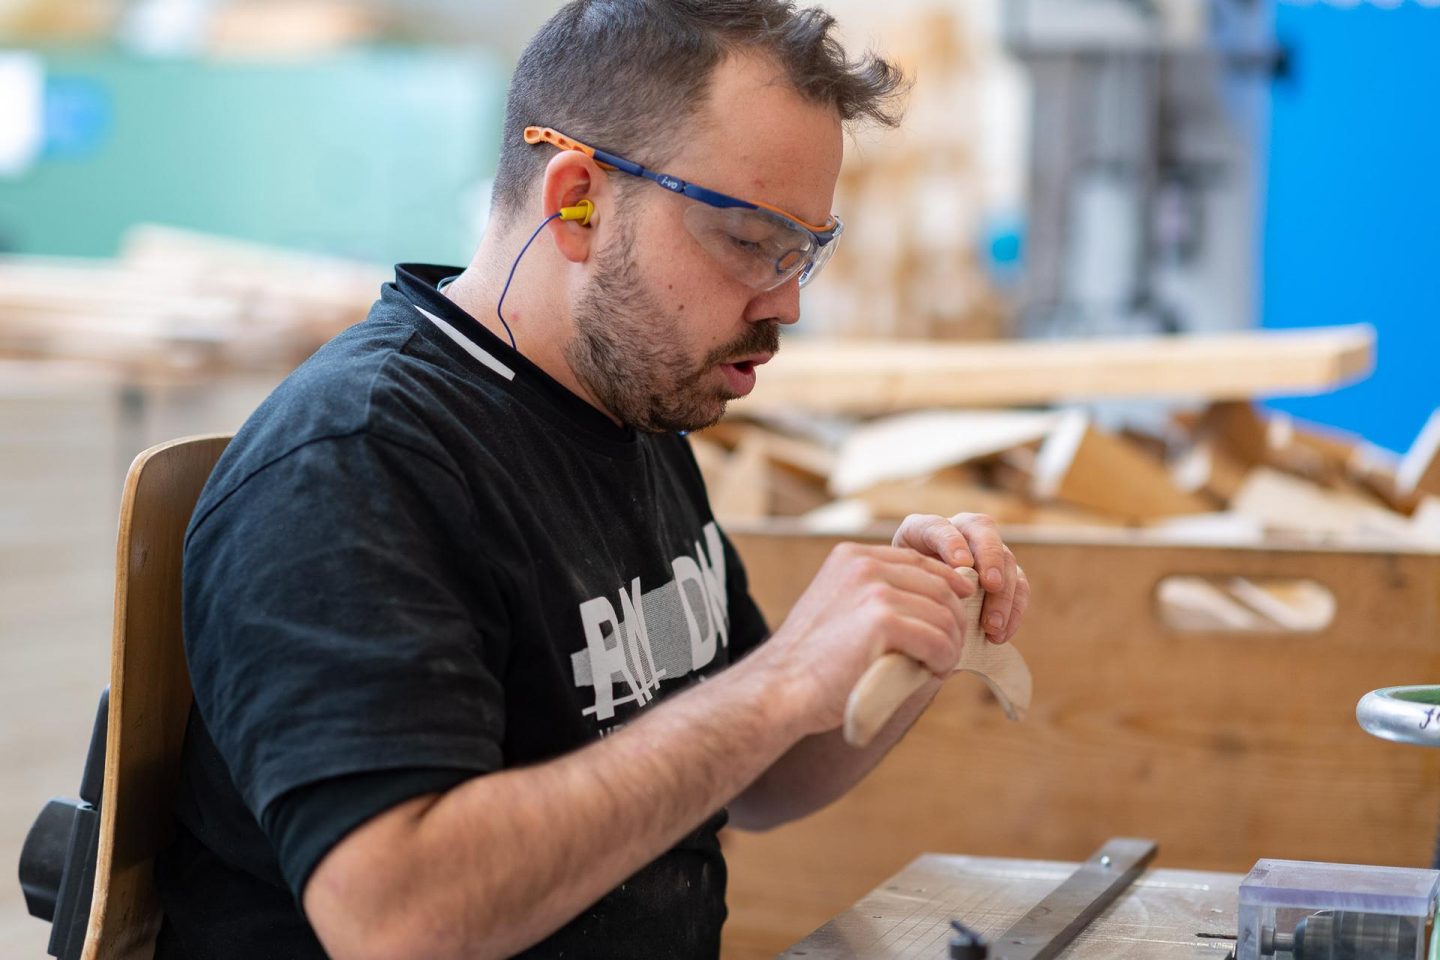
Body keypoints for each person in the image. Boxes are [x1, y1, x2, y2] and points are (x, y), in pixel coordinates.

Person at [152, 2, 1032, 958]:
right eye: (749, 241)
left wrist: (902, 644)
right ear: (577, 200)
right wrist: (779, 682)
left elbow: (753, 778)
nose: (784, 302)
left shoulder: (631, 405)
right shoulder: (356, 463)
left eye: (803, 254)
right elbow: (394, 921)